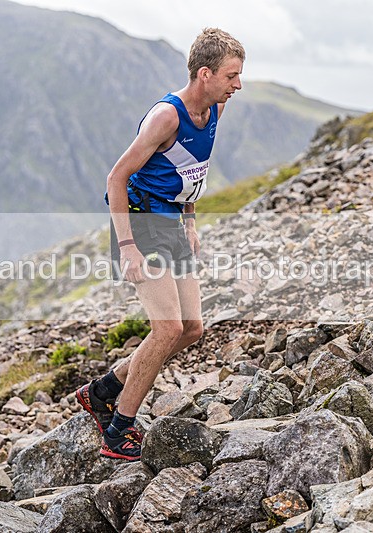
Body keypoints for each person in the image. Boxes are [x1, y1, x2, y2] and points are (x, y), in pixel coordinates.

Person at [75, 28, 245, 461]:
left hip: (172, 220)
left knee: (191, 328)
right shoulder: (165, 118)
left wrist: (190, 220)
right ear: (204, 74)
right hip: (140, 222)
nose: (237, 85)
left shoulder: (217, 109)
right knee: (166, 328)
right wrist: (127, 246)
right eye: (231, 75)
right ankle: (118, 430)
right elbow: (116, 177)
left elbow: (192, 170)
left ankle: (103, 390)